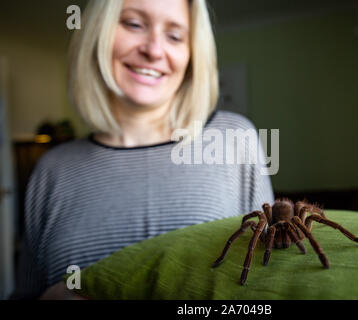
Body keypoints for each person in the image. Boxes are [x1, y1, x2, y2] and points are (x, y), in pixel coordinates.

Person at [11, 0, 274, 300]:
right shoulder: (53, 169)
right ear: (98, 33)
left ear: (192, 54)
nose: (154, 50)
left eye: (175, 36)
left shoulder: (235, 138)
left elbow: (267, 284)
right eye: (134, 24)